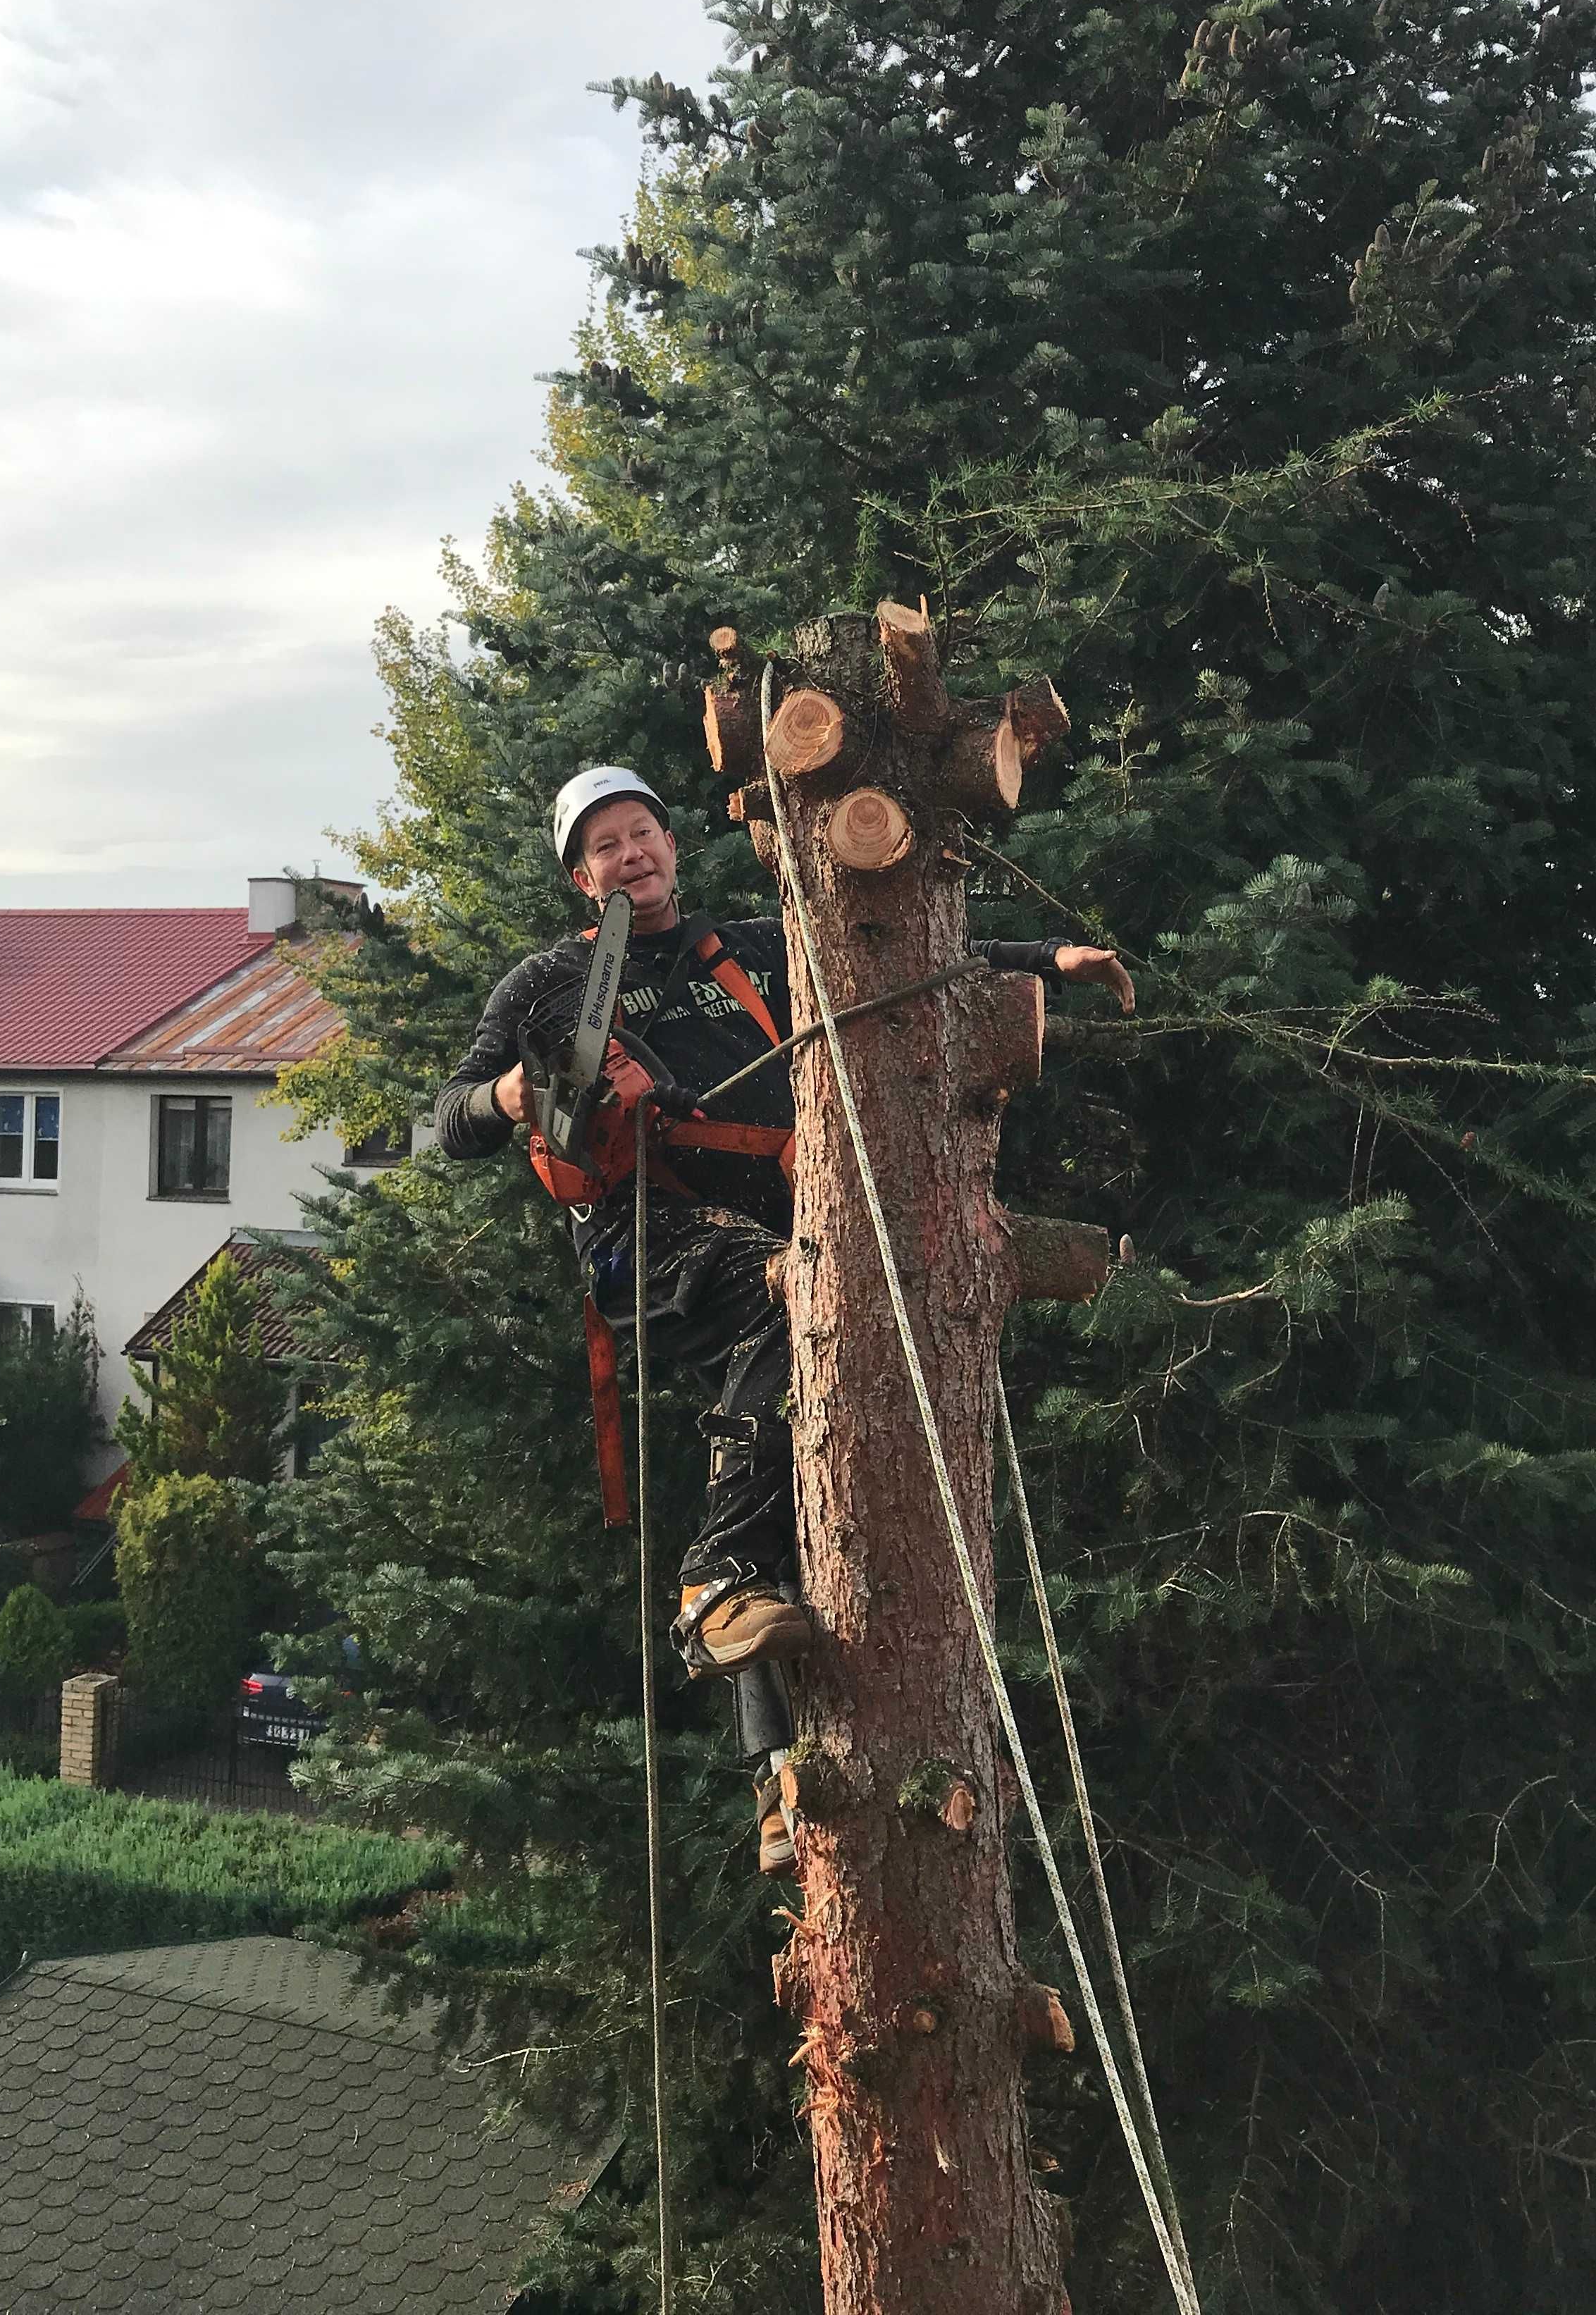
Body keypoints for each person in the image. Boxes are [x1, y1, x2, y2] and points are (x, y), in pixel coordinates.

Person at [433, 765, 1134, 1860]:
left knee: (818, 1465)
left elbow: (916, 968)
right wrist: (510, 1096)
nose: (634, 856)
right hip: (645, 1241)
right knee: (791, 1302)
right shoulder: (550, 983)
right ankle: (712, 1576)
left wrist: (1051, 959)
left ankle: (780, 1774)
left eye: (644, 834)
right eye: (607, 845)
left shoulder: (758, 946)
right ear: (583, 875)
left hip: (791, 1233)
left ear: (671, 846)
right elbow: (450, 1119)